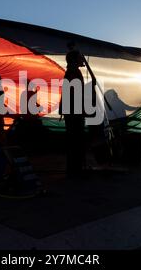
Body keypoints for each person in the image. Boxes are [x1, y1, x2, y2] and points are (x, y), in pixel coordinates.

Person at [60, 41, 87, 178]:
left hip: (72, 111)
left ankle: (74, 169)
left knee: (74, 140)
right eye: (80, 58)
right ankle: (75, 170)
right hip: (74, 112)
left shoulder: (71, 72)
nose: (82, 60)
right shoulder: (73, 72)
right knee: (76, 140)